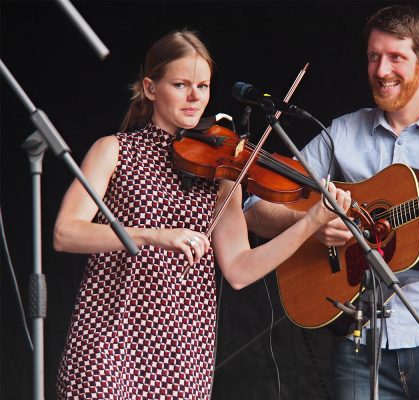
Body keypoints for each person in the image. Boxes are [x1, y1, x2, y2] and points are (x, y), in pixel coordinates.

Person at [53, 29, 350, 399]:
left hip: (182, 353)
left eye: (204, 86)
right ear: (150, 87)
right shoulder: (114, 151)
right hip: (109, 340)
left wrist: (310, 223)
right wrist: (152, 235)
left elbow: (241, 270)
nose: (195, 97)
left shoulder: (224, 174)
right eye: (180, 84)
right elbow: (66, 233)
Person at [244, 5, 419, 399]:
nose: (382, 71)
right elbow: (255, 209)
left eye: (396, 58)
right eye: (374, 57)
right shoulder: (342, 134)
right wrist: (312, 225)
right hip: (359, 346)